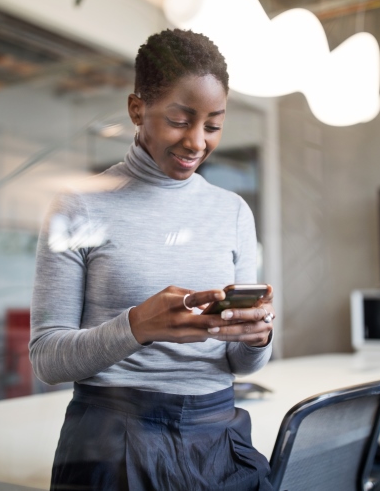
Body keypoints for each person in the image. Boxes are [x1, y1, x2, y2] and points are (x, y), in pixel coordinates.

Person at [30, 28, 276, 491]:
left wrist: (257, 337)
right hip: (112, 437)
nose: (197, 142)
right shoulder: (79, 205)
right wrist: (138, 326)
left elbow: (240, 364)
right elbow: (46, 359)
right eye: (181, 120)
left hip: (218, 435)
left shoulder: (233, 211)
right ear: (137, 109)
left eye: (214, 124)